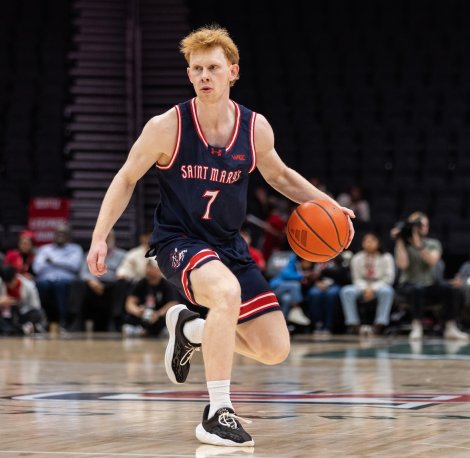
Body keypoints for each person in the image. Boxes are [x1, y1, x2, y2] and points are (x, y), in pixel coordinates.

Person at [85, 25, 354, 446]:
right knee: (226, 293)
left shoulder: (254, 128)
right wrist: (100, 236)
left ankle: (191, 329)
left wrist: (329, 206)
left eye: (213, 67)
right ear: (189, 75)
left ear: (233, 71)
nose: (204, 75)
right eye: (196, 69)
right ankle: (217, 411)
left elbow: (280, 175)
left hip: (228, 245)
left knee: (273, 348)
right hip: (179, 242)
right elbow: (125, 178)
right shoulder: (167, 127)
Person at [393, 212, 469, 341]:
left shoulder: (433, 243)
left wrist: (418, 245)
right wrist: (400, 240)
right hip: (408, 285)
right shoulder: (404, 245)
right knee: (417, 289)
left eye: (425, 225)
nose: (424, 227)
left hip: (429, 283)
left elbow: (432, 261)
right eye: (420, 225)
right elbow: (403, 265)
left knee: (449, 289)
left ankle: (451, 327)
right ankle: (416, 326)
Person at [339, 232, 395, 335]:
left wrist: (373, 289)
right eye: (366, 241)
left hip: (379, 286)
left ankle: (380, 324)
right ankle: (353, 324)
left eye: (372, 241)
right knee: (346, 291)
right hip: (361, 286)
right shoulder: (357, 258)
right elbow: (356, 278)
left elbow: (388, 279)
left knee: (387, 291)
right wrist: (365, 289)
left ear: (378, 243)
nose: (369, 243)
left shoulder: (387, 257)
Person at [70, 231, 126, 331]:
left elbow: (125, 270)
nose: (106, 239)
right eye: (104, 236)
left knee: (121, 284)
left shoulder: (122, 255)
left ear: (113, 238)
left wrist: (119, 275)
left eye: (108, 237)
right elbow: (83, 271)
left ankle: (114, 320)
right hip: (92, 284)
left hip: (111, 285)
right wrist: (91, 281)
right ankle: (76, 319)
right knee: (77, 283)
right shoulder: (90, 254)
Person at [33, 223, 83, 329]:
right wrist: (63, 262)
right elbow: (37, 268)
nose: (60, 235)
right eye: (58, 233)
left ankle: (63, 320)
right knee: (40, 285)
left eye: (63, 233)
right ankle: (42, 320)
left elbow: (75, 265)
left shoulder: (75, 249)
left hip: (66, 281)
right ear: (53, 235)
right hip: (45, 280)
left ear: (69, 236)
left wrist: (52, 261)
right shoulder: (44, 249)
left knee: (60, 285)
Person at [0, 266, 44, 335]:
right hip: (1, 316)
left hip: (20, 316)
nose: (9, 285)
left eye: (11, 281)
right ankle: (17, 329)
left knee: (38, 313)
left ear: (16, 276)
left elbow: (35, 306)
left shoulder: (28, 285)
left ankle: (4, 329)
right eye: (6, 283)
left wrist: (17, 305)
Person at [123, 259, 179, 336]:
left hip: (159, 317)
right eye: (147, 267)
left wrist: (158, 314)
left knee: (167, 325)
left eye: (151, 267)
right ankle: (141, 330)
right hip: (142, 316)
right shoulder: (140, 283)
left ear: (159, 269)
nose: (148, 270)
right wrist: (138, 311)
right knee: (127, 327)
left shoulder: (166, 285)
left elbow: (172, 303)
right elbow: (130, 303)